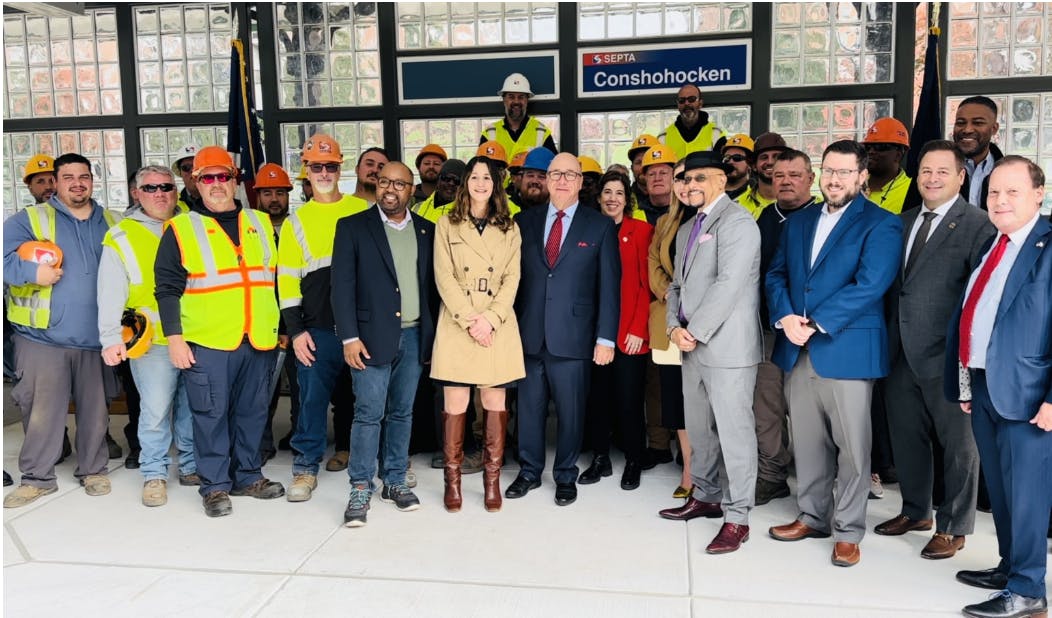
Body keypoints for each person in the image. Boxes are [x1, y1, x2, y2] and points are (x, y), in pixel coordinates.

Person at [765, 140, 902, 567]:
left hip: (846, 348)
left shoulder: (882, 223)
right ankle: (812, 515)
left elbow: (870, 284)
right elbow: (776, 274)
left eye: (844, 172)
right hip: (797, 346)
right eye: (829, 171)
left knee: (853, 448)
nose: (835, 179)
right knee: (807, 442)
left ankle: (847, 530)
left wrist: (815, 322)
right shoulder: (799, 221)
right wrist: (786, 316)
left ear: (862, 175)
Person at [877, 140, 994, 559]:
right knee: (907, 436)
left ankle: (954, 525)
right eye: (926, 170)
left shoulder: (979, 224)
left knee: (959, 445)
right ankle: (915, 510)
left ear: (961, 177)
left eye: (943, 171)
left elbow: (980, 297)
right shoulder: (901, 222)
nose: (932, 178)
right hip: (899, 350)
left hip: (949, 355)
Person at [154, 146, 285, 518]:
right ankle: (214, 486)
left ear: (235, 180)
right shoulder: (181, 228)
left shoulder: (259, 223)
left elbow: (273, 281)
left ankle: (247, 476)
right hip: (207, 340)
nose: (215, 184)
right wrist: (175, 339)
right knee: (209, 414)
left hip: (257, 338)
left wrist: (279, 328)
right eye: (207, 177)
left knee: (252, 412)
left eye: (222, 176)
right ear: (196, 182)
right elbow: (166, 288)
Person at [947, 156, 1051, 618]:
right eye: (993, 193)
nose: (1001, 200)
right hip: (987, 384)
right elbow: (977, 316)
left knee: (1028, 493)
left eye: (1012, 191)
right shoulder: (996, 242)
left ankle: (1029, 589)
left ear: (1038, 194)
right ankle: (1010, 567)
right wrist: (968, 382)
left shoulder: (1048, 246)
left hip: (1030, 393)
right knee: (1003, 491)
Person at [657, 151, 761, 555]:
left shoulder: (738, 223)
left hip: (728, 348)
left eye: (699, 178)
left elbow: (729, 286)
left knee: (734, 434)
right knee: (699, 429)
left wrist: (694, 331)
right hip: (691, 346)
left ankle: (737, 518)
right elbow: (676, 287)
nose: (690, 186)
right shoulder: (687, 229)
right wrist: (672, 327)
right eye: (684, 180)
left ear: (720, 179)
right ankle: (706, 495)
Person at [3, 153, 119, 508]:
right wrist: (32, 274)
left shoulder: (112, 221)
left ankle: (93, 470)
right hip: (42, 339)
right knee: (42, 412)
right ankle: (37, 477)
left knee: (95, 411)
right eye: (68, 177)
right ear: (56, 182)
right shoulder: (30, 219)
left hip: (96, 338)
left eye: (83, 176)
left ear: (92, 180)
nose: (77, 183)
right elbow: (4, 260)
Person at [507, 153, 620, 507]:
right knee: (528, 409)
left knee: (572, 412)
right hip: (528, 334)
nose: (561, 180)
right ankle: (528, 471)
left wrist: (606, 337)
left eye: (569, 174)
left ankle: (566, 474)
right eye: (554, 174)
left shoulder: (598, 225)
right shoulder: (523, 221)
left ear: (580, 181)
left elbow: (609, 287)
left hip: (574, 337)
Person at [331, 162, 437, 527]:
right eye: (384, 181)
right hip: (369, 338)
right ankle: (360, 485)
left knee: (402, 412)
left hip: (414, 335)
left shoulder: (427, 230)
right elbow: (341, 286)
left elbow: (432, 289)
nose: (390, 189)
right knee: (368, 413)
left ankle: (393, 480)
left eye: (400, 183)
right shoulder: (352, 227)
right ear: (376, 185)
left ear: (412, 189)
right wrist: (349, 337)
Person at [97, 165, 198, 507]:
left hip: (197, 333)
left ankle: (190, 466)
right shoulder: (121, 236)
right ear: (136, 193)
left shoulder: (194, 225)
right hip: (152, 341)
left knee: (191, 407)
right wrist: (110, 338)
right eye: (150, 188)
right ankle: (154, 473)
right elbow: (109, 291)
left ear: (176, 190)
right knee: (155, 411)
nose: (159, 193)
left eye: (166, 186)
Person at [431, 156, 524, 512]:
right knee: (455, 407)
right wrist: (471, 320)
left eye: (487, 178)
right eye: (475, 177)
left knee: (494, 405)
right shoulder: (446, 224)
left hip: (496, 325)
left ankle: (491, 482)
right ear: (465, 182)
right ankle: (452, 483)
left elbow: (512, 279)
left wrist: (491, 319)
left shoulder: (510, 227)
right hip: (459, 323)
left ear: (496, 183)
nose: (481, 183)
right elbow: (444, 277)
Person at [279, 134, 369, 501]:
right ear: (307, 172)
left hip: (361, 328)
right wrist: (296, 332)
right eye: (317, 167)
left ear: (340, 168)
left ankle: (365, 461)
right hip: (317, 329)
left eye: (330, 166)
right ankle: (304, 468)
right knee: (311, 400)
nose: (324, 173)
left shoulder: (361, 211)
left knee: (366, 400)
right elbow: (287, 282)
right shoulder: (295, 222)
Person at [752, 149, 819, 505]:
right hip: (767, 330)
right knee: (767, 406)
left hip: (808, 333)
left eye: (795, 174)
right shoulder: (764, 216)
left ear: (811, 178)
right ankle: (773, 474)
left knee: (809, 410)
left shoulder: (823, 216)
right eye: (779, 175)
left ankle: (815, 480)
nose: (787, 181)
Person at [580, 171, 653, 490]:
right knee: (597, 399)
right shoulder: (588, 229)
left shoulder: (642, 231)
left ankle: (634, 459)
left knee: (629, 400)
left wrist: (638, 328)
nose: (612, 198)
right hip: (592, 333)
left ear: (627, 199)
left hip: (628, 332)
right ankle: (600, 458)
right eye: (607, 192)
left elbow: (644, 284)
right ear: (598, 198)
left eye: (619, 193)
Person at [648, 158, 695, 498]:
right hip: (671, 321)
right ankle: (691, 470)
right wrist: (670, 293)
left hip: (708, 323)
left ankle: (711, 464)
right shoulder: (665, 222)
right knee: (677, 399)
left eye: (690, 178)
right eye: (679, 178)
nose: (684, 184)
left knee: (707, 398)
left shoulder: (716, 219)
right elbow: (653, 263)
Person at [252, 162, 299, 460]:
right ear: (257, 196)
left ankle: (298, 435)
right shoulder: (249, 228)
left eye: (280, 193)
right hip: (261, 318)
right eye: (267, 192)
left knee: (299, 385)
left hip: (295, 316)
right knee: (261, 386)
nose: (274, 199)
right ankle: (261, 441)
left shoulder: (298, 225)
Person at [480, 72, 557, 158]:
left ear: (527, 100)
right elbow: (480, 167)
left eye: (521, 97)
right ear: (504, 100)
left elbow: (553, 167)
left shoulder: (541, 132)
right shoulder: (490, 133)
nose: (516, 102)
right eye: (511, 97)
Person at [953, 95, 1004, 211]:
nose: (967, 129)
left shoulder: (1010, 173)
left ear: (994, 129)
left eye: (978, 123)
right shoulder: (935, 169)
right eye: (960, 123)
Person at [659, 84, 727, 158]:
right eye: (682, 100)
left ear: (700, 103)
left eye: (691, 99)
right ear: (678, 105)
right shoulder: (663, 137)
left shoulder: (716, 134)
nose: (687, 103)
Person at [862, 117, 912, 214]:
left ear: (898, 154)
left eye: (880, 147)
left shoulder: (912, 191)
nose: (871, 152)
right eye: (867, 147)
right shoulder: (854, 185)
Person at [738, 132, 786, 218]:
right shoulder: (738, 205)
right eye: (764, 157)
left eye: (776, 157)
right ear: (754, 166)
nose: (770, 162)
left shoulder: (805, 203)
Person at [638, 144, 677, 225]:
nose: (657, 178)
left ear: (675, 176)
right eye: (651, 174)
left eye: (663, 173)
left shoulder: (688, 214)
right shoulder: (635, 216)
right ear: (645, 178)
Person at [628, 134, 660, 213]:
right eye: (638, 162)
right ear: (632, 168)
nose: (643, 167)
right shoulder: (624, 199)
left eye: (648, 162)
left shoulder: (674, 198)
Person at [171, 144, 203, 213]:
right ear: (180, 173)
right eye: (186, 168)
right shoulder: (172, 204)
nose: (192, 171)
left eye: (197, 167)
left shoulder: (220, 199)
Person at [721, 134, 753, 202]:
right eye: (727, 158)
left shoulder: (755, 194)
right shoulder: (710, 190)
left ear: (749, 163)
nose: (730, 162)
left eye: (737, 158)